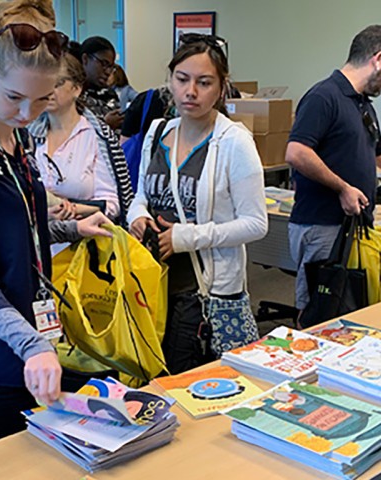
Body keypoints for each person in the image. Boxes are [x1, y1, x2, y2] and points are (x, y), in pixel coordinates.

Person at [0, 0, 112, 450]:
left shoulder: (13, 137)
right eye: (15, 97)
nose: (27, 112)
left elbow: (19, 230)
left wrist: (72, 231)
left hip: (29, 343)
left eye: (41, 99)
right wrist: (31, 345)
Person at [127, 34, 268, 374]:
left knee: (187, 381)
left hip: (203, 292)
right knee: (151, 378)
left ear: (221, 89)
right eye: (182, 79)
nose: (190, 91)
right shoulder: (158, 132)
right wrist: (138, 216)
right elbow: (141, 196)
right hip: (153, 283)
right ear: (170, 80)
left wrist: (185, 237)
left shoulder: (234, 141)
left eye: (204, 83)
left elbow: (255, 223)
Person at [285, 25, 381, 319]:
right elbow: (297, 152)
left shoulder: (361, 104)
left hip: (348, 227)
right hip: (322, 225)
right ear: (378, 58)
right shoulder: (324, 96)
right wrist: (343, 187)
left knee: (346, 312)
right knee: (319, 314)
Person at [29, 52, 133, 225]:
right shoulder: (27, 135)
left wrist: (71, 209)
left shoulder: (97, 136)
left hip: (81, 242)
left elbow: (113, 204)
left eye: (58, 83)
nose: (48, 91)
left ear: (77, 89)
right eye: (44, 83)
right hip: (37, 243)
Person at [80, 36, 124, 131]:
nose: (108, 72)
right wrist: (105, 125)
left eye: (111, 67)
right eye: (104, 64)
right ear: (85, 59)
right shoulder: (74, 95)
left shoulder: (108, 94)